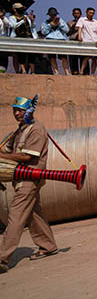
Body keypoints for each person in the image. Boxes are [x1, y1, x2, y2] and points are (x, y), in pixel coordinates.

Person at [0, 97, 58, 272]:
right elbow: (7, 150)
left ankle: (2, 257)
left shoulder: (37, 129)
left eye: (21, 110)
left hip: (30, 178)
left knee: (16, 216)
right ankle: (48, 245)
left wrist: (1, 157)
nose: (17, 113)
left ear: (30, 111)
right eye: (15, 110)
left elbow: (28, 157)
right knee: (34, 213)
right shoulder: (19, 131)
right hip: (20, 179)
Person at [40, 7, 70, 75]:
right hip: (50, 40)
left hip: (61, 40)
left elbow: (67, 30)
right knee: (52, 57)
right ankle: (56, 72)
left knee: (64, 57)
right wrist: (50, 25)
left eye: (54, 14)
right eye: (51, 14)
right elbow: (43, 32)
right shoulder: (45, 22)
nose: (53, 16)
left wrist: (59, 24)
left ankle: (67, 72)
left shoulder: (61, 21)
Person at [9, 3, 38, 74]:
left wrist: (32, 20)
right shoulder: (12, 18)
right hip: (18, 37)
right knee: (21, 54)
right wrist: (22, 21)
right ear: (15, 10)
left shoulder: (25, 16)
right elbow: (13, 26)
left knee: (31, 54)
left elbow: (32, 26)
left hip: (28, 36)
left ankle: (32, 71)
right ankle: (23, 70)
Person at [76, 7, 97, 75]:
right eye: (90, 13)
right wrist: (79, 36)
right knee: (86, 57)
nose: (91, 14)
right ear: (86, 12)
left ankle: (92, 73)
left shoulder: (96, 22)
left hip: (95, 41)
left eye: (92, 13)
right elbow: (80, 28)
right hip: (86, 41)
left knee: (94, 59)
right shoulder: (82, 20)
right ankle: (81, 71)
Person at [0, 8, 9, 73]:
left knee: (3, 57)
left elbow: (8, 24)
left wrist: (2, 18)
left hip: (3, 40)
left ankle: (2, 71)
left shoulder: (5, 19)